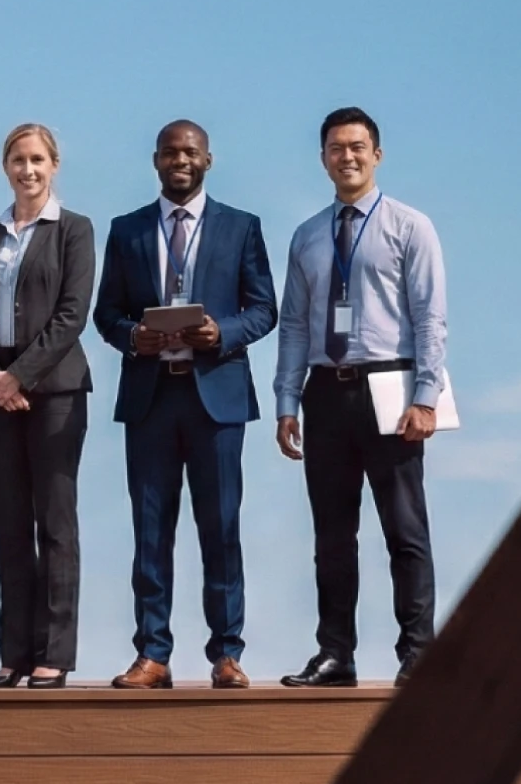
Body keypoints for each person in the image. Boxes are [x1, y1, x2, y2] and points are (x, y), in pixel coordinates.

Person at [94, 120, 277, 690]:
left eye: (190, 152)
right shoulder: (126, 230)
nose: (180, 160)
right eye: (170, 152)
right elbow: (106, 313)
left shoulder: (241, 227)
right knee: (150, 531)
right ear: (155, 160)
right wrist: (133, 337)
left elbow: (264, 309)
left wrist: (221, 332)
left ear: (208, 160)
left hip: (216, 398)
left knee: (221, 528)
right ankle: (153, 653)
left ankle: (227, 653)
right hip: (151, 397)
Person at [272, 107, 449, 689]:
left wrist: (426, 395)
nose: (346, 157)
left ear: (376, 154)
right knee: (331, 535)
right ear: (323, 158)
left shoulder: (410, 226)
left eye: (356, 147)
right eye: (335, 148)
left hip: (390, 388)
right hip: (326, 390)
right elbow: (293, 325)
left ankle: (418, 653)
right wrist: (287, 401)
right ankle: (335, 653)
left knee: (404, 530)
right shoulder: (307, 235)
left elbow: (430, 317)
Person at [0, 123, 96, 689]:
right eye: (18, 160)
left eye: (38, 159)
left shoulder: (74, 230)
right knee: (9, 526)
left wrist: (20, 375)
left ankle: (54, 654)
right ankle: (13, 654)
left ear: (54, 164)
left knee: (55, 524)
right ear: (5, 167)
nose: (28, 170)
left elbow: (72, 314)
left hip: (56, 394)